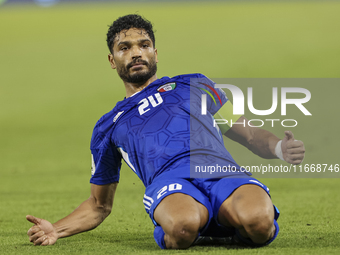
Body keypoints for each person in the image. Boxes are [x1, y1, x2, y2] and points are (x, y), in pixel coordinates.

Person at [26, 14, 305, 249]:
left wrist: (280, 148)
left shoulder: (195, 85)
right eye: (125, 48)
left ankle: (220, 222)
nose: (136, 52)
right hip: (169, 182)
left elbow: (251, 136)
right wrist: (56, 230)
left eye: (143, 45)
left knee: (259, 222)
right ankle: (197, 226)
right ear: (112, 60)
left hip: (220, 170)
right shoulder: (107, 127)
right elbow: (99, 205)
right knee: (182, 227)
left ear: (155, 53)